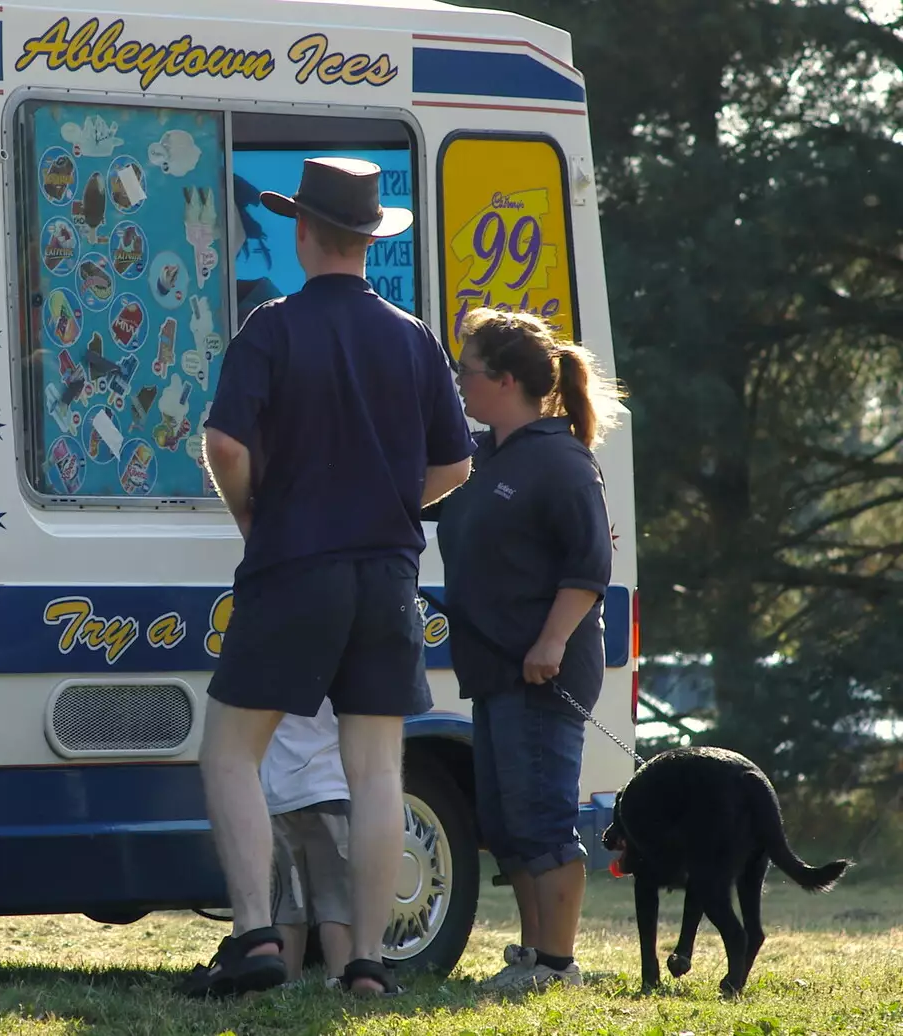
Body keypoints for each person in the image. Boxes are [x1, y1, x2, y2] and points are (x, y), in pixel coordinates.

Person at [182, 156, 475, 999]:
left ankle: (256, 942)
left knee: (232, 752)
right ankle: (368, 964)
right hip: (388, 575)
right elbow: (454, 462)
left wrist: (255, 515)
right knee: (378, 770)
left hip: (295, 566)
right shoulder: (415, 336)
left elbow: (227, 444)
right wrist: (384, 502)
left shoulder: (270, 327)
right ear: (366, 238)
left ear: (303, 233)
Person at [432, 307, 623, 993]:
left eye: (467, 372)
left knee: (543, 818)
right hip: (493, 669)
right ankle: (532, 953)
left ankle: (557, 963)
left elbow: (589, 566)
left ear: (505, 381)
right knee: (506, 821)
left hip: (543, 670)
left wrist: (550, 639)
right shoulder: (485, 457)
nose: (459, 384)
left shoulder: (561, 461)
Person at [261, 700, 354, 987]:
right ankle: (339, 976)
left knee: (289, 899)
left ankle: (287, 979)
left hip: (279, 793)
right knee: (335, 898)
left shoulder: (271, 667)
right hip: (330, 788)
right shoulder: (338, 664)